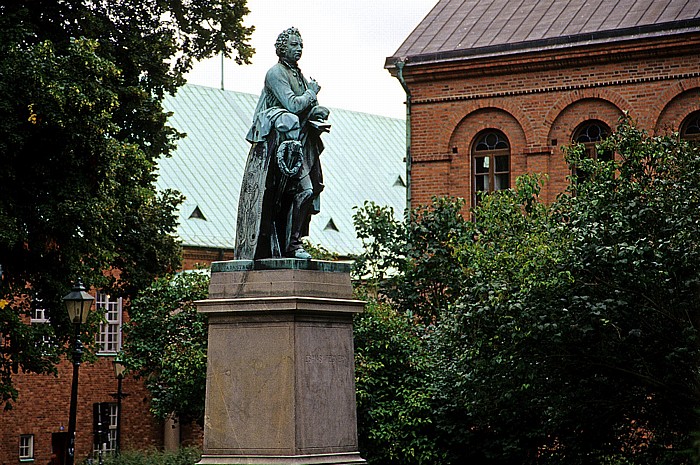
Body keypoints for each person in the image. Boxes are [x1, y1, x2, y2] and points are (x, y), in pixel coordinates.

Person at [235, 27, 330, 260]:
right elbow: (293, 105)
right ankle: (292, 244)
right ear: (282, 48)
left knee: (309, 190)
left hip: (300, 141)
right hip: (277, 137)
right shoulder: (275, 73)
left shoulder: (298, 74)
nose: (298, 49)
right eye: (294, 45)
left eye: (300, 45)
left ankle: (293, 243)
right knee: (298, 190)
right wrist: (311, 93)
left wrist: (318, 111)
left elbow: (306, 107)